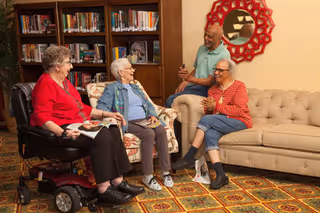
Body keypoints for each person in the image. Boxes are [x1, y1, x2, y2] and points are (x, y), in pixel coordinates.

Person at [30, 45, 145, 205]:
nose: (71, 66)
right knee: (102, 135)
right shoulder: (45, 84)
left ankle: (118, 180)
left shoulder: (64, 83)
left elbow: (82, 107)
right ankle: (104, 189)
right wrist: (62, 133)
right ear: (57, 66)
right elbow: (41, 116)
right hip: (61, 129)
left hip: (76, 123)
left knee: (111, 127)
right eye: (68, 63)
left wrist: (108, 114)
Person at [172, 58, 252, 189]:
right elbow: (210, 115)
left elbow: (240, 110)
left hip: (240, 121)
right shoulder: (213, 90)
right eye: (215, 69)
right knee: (210, 133)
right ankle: (221, 175)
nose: (216, 72)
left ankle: (189, 157)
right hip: (220, 122)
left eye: (220, 70)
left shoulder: (239, 86)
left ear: (229, 72)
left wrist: (216, 106)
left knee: (206, 121)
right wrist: (209, 108)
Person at [97, 58, 174, 191]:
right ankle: (148, 176)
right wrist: (113, 116)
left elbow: (149, 104)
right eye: (130, 68)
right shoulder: (113, 88)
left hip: (145, 120)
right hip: (129, 122)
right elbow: (101, 107)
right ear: (121, 72)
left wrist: (153, 115)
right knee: (148, 133)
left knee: (160, 130)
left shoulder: (135, 87)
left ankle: (166, 172)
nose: (133, 70)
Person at [165, 24, 231, 107]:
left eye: (209, 37)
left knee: (171, 99)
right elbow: (197, 68)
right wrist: (185, 81)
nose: (205, 38)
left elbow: (211, 81)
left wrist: (189, 78)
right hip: (194, 85)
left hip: (208, 89)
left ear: (219, 38)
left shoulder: (224, 54)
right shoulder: (201, 48)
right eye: (205, 35)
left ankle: (161, 120)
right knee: (172, 97)